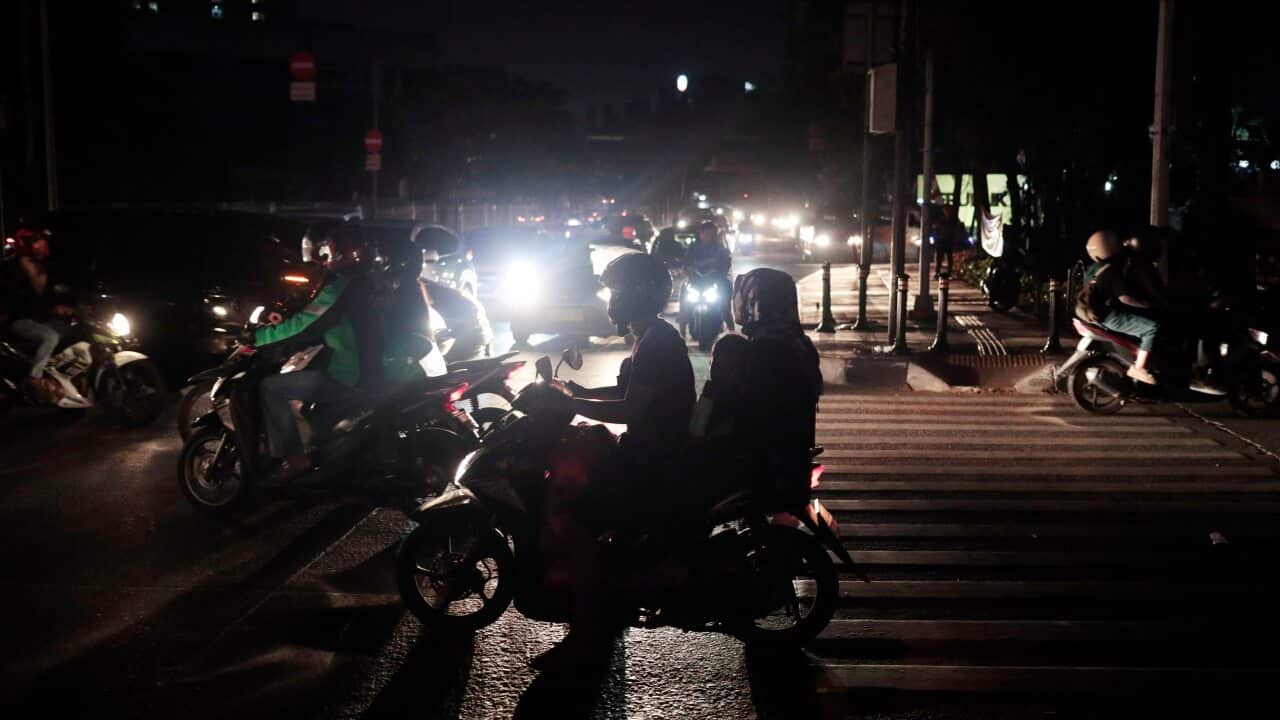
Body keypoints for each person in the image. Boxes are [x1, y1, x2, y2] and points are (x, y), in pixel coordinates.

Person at [534, 252, 695, 671]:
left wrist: (574, 404)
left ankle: (585, 634)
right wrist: (574, 391)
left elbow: (630, 411)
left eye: (615, 291)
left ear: (635, 296)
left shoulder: (657, 342)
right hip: (650, 453)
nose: (609, 300)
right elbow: (627, 394)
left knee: (576, 518)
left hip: (653, 461)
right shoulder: (651, 335)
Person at [250, 231, 381, 476]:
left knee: (271, 388)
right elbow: (316, 315)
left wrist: (258, 339)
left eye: (327, 253)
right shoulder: (369, 283)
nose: (322, 259)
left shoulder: (344, 287)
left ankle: (296, 460)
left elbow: (308, 323)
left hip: (353, 373)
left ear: (340, 255)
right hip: (368, 367)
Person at [0, 228, 75, 404]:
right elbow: (15, 297)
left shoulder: (42, 268)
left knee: (71, 333)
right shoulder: (14, 269)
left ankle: (58, 379)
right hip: (20, 321)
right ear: (26, 245)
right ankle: (35, 377)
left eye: (42, 240)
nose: (43, 244)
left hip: (38, 320)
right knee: (51, 337)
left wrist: (64, 306)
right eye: (37, 241)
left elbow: (52, 296)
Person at [1082, 231, 1161, 385]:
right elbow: (1125, 298)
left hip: (1094, 314)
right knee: (1152, 328)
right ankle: (1139, 368)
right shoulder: (1111, 270)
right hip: (1109, 316)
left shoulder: (1092, 269)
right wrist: (1146, 305)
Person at [682, 220, 735, 332]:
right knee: (685, 298)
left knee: (724, 303)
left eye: (711, 234)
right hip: (696, 282)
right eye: (706, 234)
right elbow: (686, 262)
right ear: (700, 234)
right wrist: (685, 269)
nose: (708, 237)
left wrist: (721, 272)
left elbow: (726, 263)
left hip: (715, 281)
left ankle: (731, 330)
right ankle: (682, 329)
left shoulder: (721, 249)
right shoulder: (693, 248)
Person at [931, 205, 965, 278]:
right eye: (945, 210)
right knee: (939, 258)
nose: (946, 211)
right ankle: (937, 272)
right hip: (941, 241)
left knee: (949, 258)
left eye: (948, 210)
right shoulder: (941, 219)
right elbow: (935, 227)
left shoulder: (953, 219)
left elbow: (957, 228)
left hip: (949, 241)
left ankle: (949, 272)